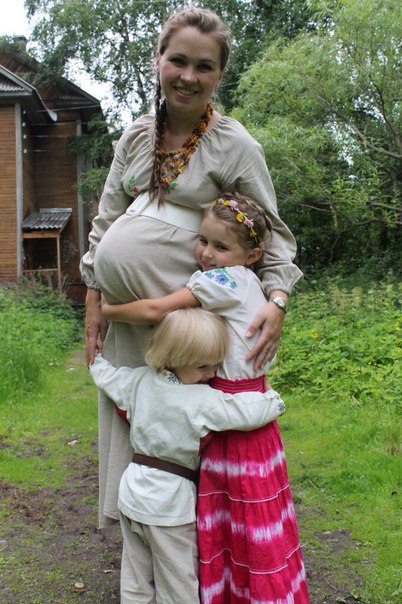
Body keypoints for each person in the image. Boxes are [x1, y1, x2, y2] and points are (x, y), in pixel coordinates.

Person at [80, 6, 302, 536]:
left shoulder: (234, 144)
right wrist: (93, 294)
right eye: (178, 60)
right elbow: (106, 219)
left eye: (204, 66)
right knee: (136, 405)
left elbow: (271, 234)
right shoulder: (136, 136)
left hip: (186, 312)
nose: (188, 76)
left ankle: (201, 543)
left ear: (219, 74)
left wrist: (277, 301)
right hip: (128, 309)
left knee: (184, 416)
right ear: (158, 60)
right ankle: (137, 528)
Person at [101, 194, 309, 603]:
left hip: (229, 414)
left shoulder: (223, 282)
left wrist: (107, 308)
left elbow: (156, 311)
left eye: (220, 246)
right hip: (253, 413)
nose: (207, 254)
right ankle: (254, 590)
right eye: (202, 241)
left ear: (253, 255)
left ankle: (236, 591)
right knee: (254, 514)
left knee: (236, 510)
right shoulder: (251, 284)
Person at [89, 307, 286, 604]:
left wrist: (96, 360)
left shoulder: (140, 381)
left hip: (131, 494)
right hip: (169, 505)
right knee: (178, 586)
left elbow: (108, 379)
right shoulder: (201, 400)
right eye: (203, 367)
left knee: (135, 580)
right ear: (174, 357)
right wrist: (273, 400)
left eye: (216, 366)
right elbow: (244, 413)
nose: (212, 374)